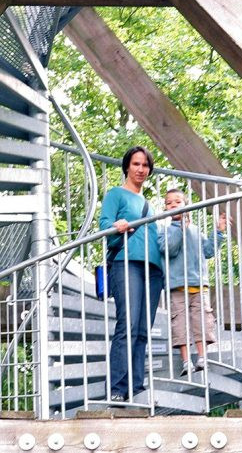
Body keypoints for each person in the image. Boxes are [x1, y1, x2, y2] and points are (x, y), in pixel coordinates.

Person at [99, 146, 164, 402]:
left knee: (143, 330)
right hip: (127, 263)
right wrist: (116, 226)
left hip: (153, 269)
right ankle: (117, 387)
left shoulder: (149, 204)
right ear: (127, 166)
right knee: (128, 325)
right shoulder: (116, 194)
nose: (141, 169)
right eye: (136, 164)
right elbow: (104, 225)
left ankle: (136, 386)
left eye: (145, 165)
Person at [158, 188, 227, 376]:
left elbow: (208, 251)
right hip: (177, 287)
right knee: (179, 323)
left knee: (202, 320)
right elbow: (169, 249)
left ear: (186, 206)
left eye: (177, 202)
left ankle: (202, 358)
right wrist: (181, 230)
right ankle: (186, 361)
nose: (173, 205)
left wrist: (218, 232)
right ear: (165, 209)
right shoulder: (164, 231)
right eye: (169, 203)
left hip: (198, 284)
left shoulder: (196, 230)